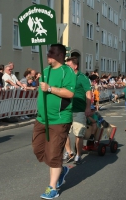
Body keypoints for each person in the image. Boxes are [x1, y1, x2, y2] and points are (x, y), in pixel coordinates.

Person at [32, 44, 77, 199]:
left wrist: (50, 88)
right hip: (41, 119)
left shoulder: (67, 71)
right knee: (38, 149)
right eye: (48, 51)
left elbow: (70, 93)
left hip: (59, 119)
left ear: (60, 55)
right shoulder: (45, 71)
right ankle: (61, 170)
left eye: (52, 52)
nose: (48, 54)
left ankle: (53, 188)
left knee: (53, 155)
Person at [63, 56, 92, 165]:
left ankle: (79, 154)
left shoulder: (82, 77)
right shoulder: (65, 77)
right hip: (66, 109)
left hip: (79, 109)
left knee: (78, 134)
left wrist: (88, 107)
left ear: (75, 66)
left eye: (69, 65)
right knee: (64, 132)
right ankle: (69, 152)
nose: (67, 67)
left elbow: (88, 92)